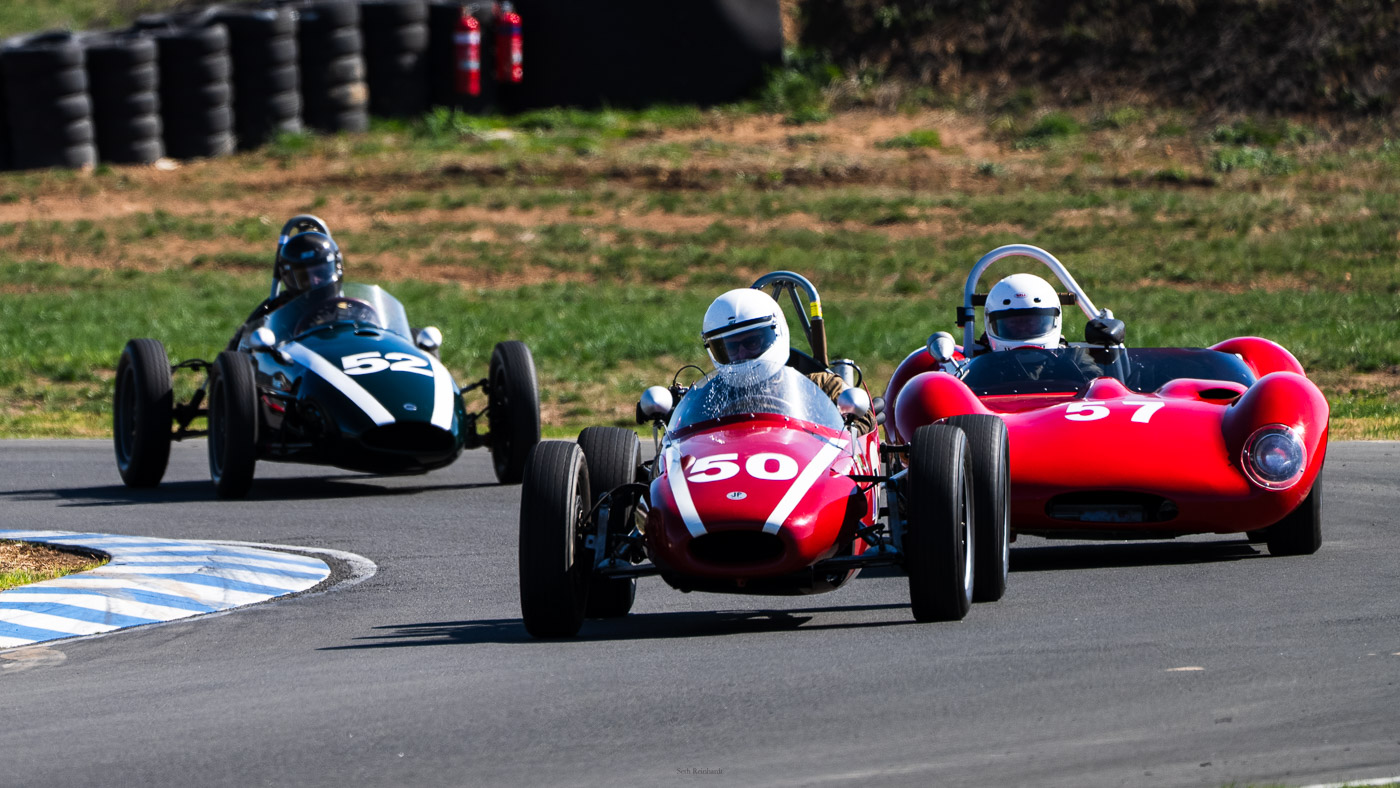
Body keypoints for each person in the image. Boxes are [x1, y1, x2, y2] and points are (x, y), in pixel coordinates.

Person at [701, 288, 876, 435]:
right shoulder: (712, 397)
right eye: (731, 348)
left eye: (751, 343)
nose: (742, 353)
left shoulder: (821, 386)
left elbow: (864, 416)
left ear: (776, 334)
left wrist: (839, 436)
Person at [227, 223, 344, 349]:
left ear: (336, 267)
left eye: (321, 273)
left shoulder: (354, 308)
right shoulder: (276, 310)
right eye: (304, 277)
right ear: (288, 277)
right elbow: (237, 352)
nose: (314, 281)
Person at [981, 272, 1063, 352]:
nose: (1022, 328)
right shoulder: (978, 360)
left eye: (1030, 322)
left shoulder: (1069, 359)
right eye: (1014, 323)